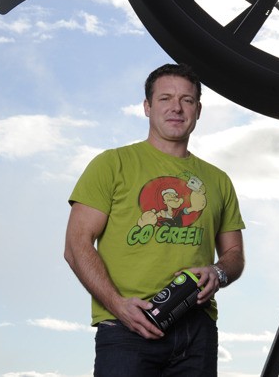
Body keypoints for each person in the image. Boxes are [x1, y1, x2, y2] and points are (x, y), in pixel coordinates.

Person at [64, 63, 245, 376]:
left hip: (196, 331)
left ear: (198, 110)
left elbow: (234, 256)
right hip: (126, 328)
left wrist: (218, 272)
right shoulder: (112, 164)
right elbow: (76, 246)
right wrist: (117, 305)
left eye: (186, 100)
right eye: (165, 99)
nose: (176, 107)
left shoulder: (218, 180)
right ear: (147, 107)